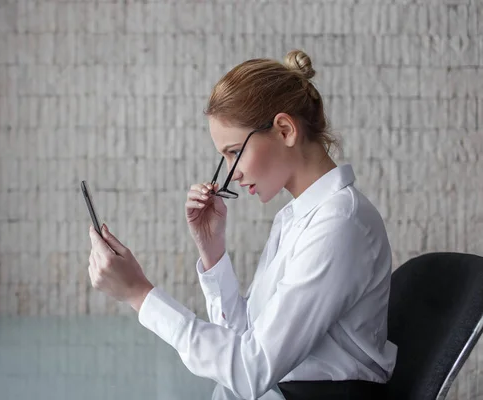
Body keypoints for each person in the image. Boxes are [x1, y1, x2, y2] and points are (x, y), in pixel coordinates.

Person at [87, 49, 398, 400]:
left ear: (284, 129)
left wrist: (139, 294)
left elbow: (251, 370)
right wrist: (213, 252)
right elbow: (246, 340)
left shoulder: (340, 224)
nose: (231, 174)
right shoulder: (297, 218)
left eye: (234, 152)